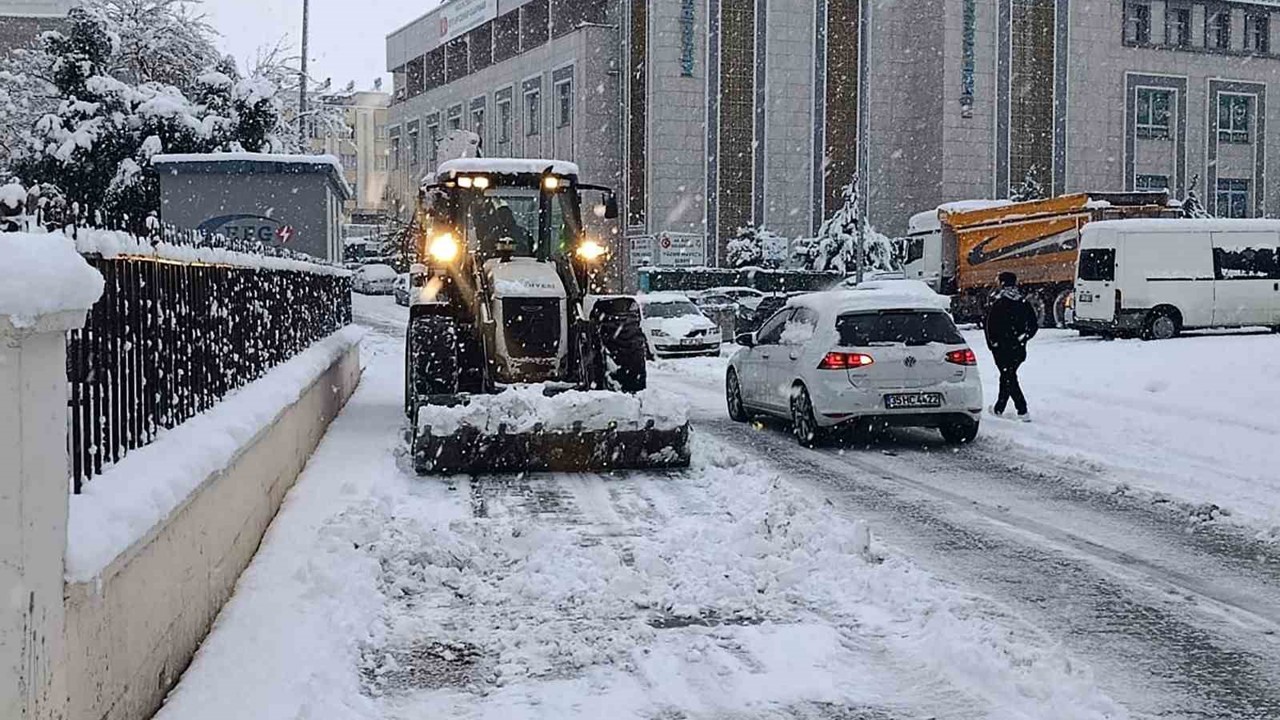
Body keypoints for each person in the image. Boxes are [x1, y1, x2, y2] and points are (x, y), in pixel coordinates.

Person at [984, 271, 1038, 420]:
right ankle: (999, 408)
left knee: (1009, 377)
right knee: (1007, 376)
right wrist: (1024, 337)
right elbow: (1033, 325)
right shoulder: (1023, 302)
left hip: (1002, 348)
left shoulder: (998, 302)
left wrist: (993, 343)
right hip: (1018, 349)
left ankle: (1022, 410)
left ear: (1002, 283)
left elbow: (989, 325)